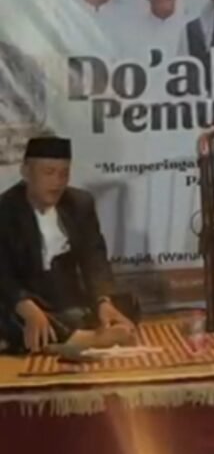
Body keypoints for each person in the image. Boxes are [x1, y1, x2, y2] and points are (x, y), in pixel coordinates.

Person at [0, 136, 136, 355]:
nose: (57, 182)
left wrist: (103, 301)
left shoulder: (80, 203)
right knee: (10, 317)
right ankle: (87, 339)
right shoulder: (5, 209)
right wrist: (25, 305)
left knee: (125, 303)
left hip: (66, 298)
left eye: (64, 173)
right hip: (23, 297)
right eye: (49, 172)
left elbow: (94, 257)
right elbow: (3, 273)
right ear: (26, 172)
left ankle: (57, 340)